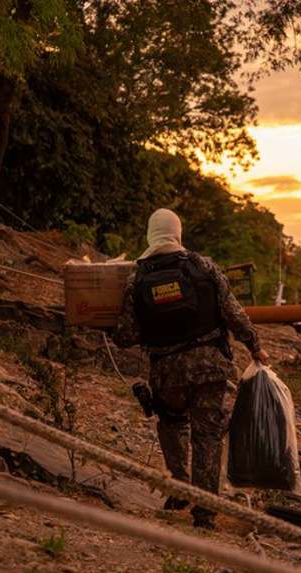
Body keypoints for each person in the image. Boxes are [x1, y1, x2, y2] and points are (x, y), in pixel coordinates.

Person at [115, 208, 268, 529]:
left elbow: (126, 336)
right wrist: (254, 345)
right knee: (208, 436)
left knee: (171, 423)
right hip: (210, 367)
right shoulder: (203, 266)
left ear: (150, 234)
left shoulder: (137, 279)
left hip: (166, 373)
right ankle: (205, 513)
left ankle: (180, 488)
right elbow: (233, 313)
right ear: (178, 232)